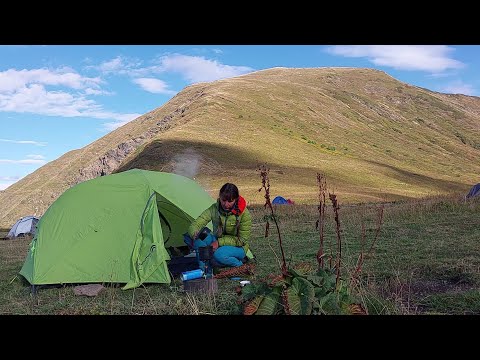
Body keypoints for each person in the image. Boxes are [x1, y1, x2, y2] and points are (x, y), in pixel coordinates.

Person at [187, 183, 253, 269]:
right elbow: (196, 224)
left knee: (219, 255)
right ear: (219, 197)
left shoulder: (244, 214)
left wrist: (219, 243)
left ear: (236, 199)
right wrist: (194, 233)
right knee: (201, 235)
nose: (226, 204)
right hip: (217, 240)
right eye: (223, 200)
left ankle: (240, 266)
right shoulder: (214, 208)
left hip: (238, 247)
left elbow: (242, 240)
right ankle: (205, 270)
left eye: (230, 201)